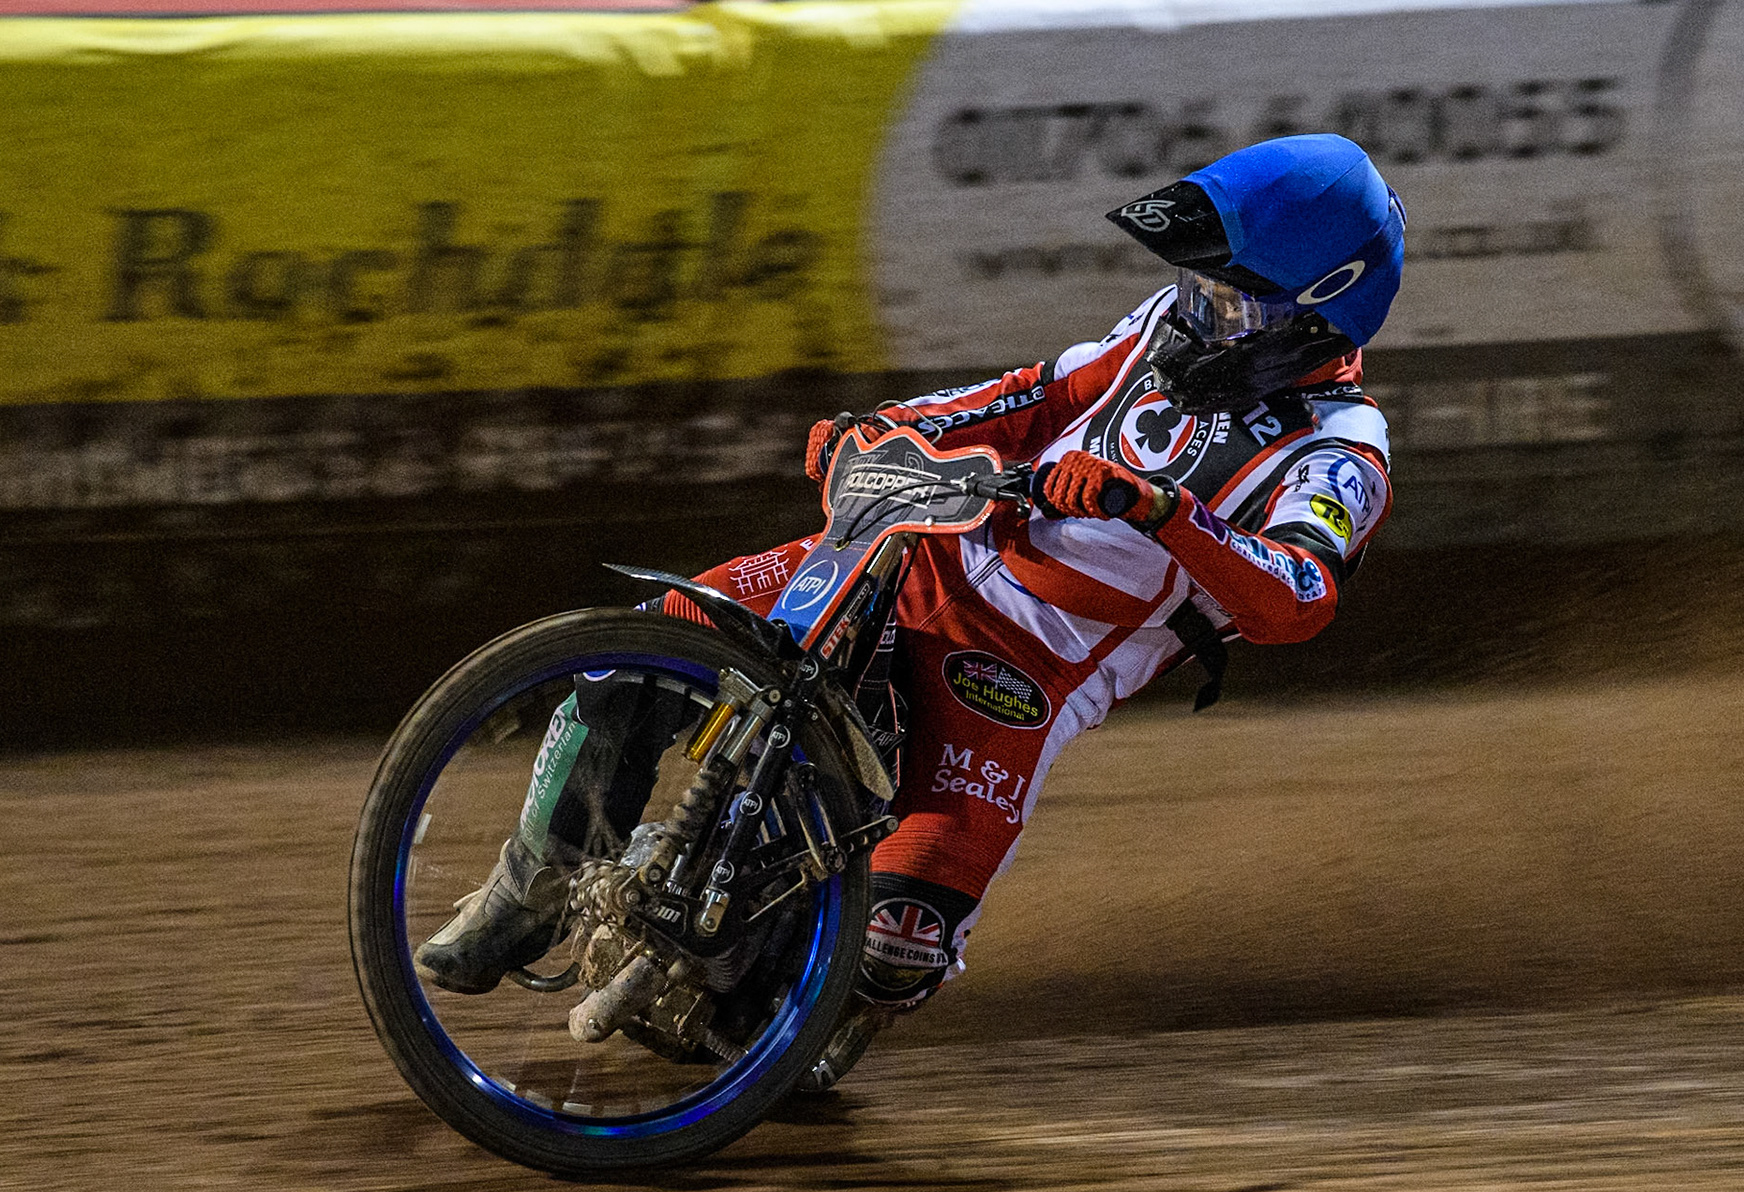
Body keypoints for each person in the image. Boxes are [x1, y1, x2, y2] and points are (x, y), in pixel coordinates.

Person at [415, 134, 1406, 1088]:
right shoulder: (1163, 326)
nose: (1198, 315)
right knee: (642, 647)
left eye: (1232, 306)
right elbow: (1034, 394)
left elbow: (1299, 597)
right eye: (1199, 289)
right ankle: (525, 888)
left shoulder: (1341, 450)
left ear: (1321, 316)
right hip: (923, 550)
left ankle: (771, 999)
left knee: (895, 944)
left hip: (1025, 677)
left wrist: (1157, 508)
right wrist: (894, 426)